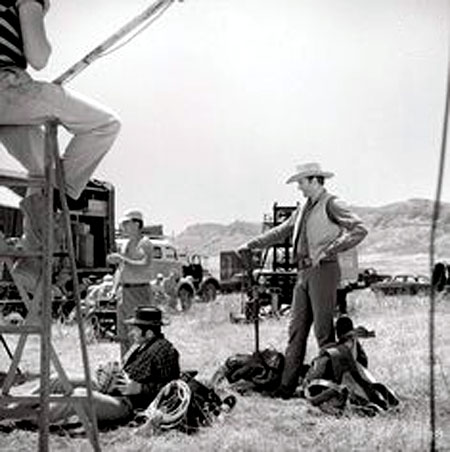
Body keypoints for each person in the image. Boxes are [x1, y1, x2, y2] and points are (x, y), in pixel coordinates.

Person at [0, 0, 121, 291]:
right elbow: (39, 56)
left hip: (8, 106)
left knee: (43, 168)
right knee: (105, 124)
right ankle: (60, 194)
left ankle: (30, 263)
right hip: (7, 90)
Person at [239, 162, 368, 399]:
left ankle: (329, 390)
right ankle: (286, 387)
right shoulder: (302, 209)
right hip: (303, 274)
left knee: (323, 332)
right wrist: (251, 244)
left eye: (301, 182)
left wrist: (330, 250)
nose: (298, 187)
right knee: (296, 331)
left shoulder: (333, 204)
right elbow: (280, 231)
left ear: (313, 180)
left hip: (323, 271)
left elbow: (359, 229)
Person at [0, 306, 180, 426]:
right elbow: (125, 370)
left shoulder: (165, 351)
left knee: (78, 396)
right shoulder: (140, 345)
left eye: (135, 328)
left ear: (148, 332)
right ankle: (12, 407)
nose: (132, 332)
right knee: (59, 378)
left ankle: (19, 417)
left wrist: (140, 388)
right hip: (110, 389)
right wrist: (108, 371)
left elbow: (172, 389)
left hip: (127, 405)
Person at [107, 210, 155, 359]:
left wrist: (122, 259)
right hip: (124, 293)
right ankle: (126, 366)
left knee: (138, 333)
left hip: (139, 292)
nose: (124, 226)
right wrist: (114, 289)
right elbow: (121, 270)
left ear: (136, 224)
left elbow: (144, 264)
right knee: (124, 333)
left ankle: (139, 368)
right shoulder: (126, 244)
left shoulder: (144, 243)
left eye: (127, 223)